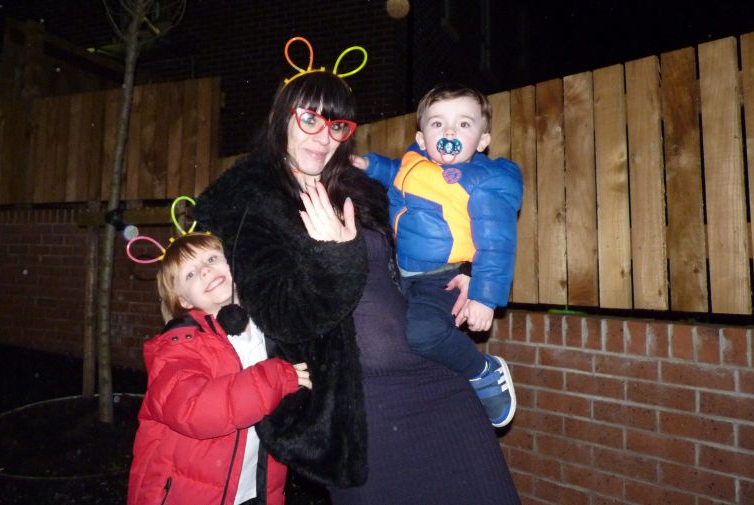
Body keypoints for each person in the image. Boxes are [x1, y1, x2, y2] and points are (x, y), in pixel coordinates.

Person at [193, 39, 520, 504]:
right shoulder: (248, 201)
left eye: (336, 126)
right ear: (280, 117)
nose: (322, 136)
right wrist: (334, 257)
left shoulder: (360, 189)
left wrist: (466, 269)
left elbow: (429, 243)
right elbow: (282, 316)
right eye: (309, 119)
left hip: (438, 384)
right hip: (358, 410)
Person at [353, 83, 523, 428]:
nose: (449, 131)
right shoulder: (414, 163)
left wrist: (484, 297)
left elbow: (497, 242)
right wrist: (367, 164)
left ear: (483, 141)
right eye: (437, 124)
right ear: (421, 138)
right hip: (402, 273)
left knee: (424, 334)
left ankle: (483, 371)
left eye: (463, 124)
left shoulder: (484, 181)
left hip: (444, 278)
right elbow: (393, 172)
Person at [127, 231, 312, 505]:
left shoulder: (269, 328)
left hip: (258, 490)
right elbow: (194, 408)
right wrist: (275, 378)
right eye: (190, 275)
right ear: (185, 302)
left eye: (212, 258)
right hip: (187, 496)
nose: (205, 270)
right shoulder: (177, 347)